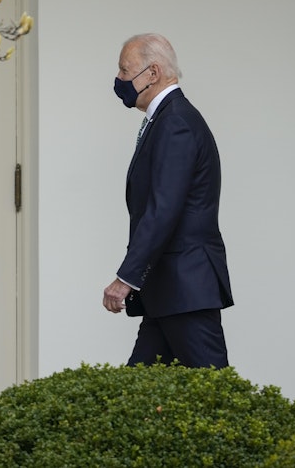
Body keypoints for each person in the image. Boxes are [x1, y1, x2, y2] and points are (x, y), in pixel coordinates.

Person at [102, 33, 233, 368]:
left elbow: (163, 210)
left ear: (153, 73)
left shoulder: (175, 123)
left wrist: (126, 278)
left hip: (185, 288)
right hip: (170, 290)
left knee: (213, 394)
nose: (118, 80)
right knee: (137, 399)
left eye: (124, 70)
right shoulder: (168, 119)